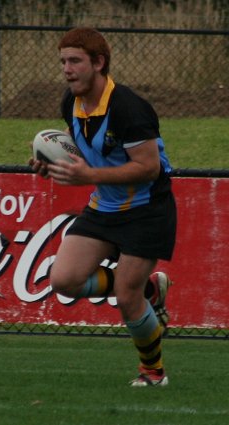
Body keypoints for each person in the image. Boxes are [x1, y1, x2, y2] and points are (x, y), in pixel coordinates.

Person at [30, 27, 177, 387]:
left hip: (146, 210)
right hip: (104, 208)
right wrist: (51, 162)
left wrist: (88, 175)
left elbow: (148, 168)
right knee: (63, 280)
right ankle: (149, 290)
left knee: (126, 297)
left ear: (99, 63)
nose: (67, 69)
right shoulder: (71, 102)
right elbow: (85, 153)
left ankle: (153, 373)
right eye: (63, 61)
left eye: (75, 61)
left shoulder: (129, 108)